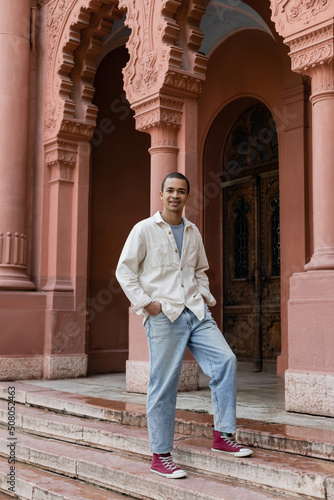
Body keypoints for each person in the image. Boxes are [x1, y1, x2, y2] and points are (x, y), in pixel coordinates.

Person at [116, 172, 252, 479]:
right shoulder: (144, 230)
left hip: (195, 311)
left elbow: (200, 269)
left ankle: (223, 436)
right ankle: (160, 454)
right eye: (170, 191)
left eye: (181, 191)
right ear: (161, 195)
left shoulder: (193, 232)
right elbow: (125, 272)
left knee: (225, 361)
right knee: (164, 383)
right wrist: (148, 305)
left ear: (187, 196)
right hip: (164, 314)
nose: (175, 195)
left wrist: (202, 295)